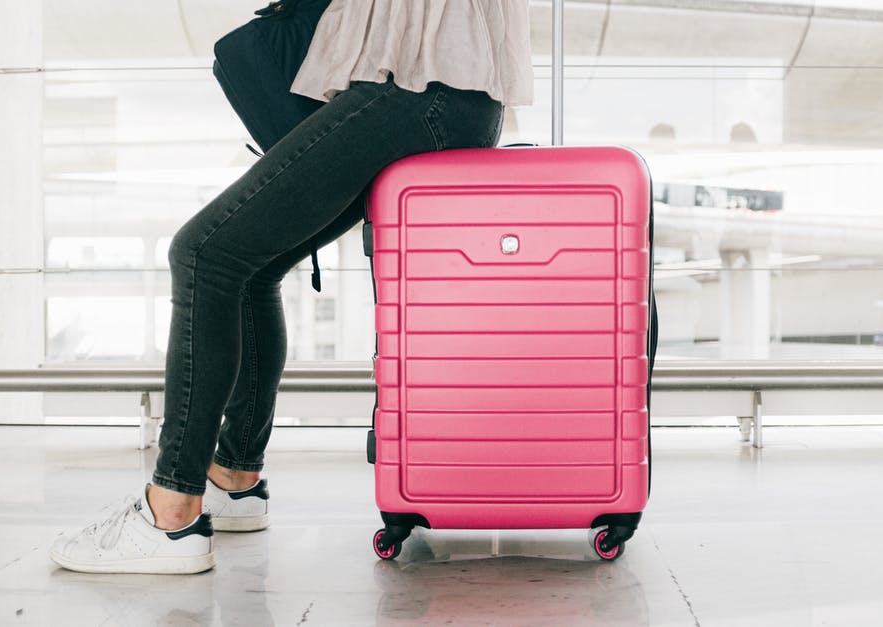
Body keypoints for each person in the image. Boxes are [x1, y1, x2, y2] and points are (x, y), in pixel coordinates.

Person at [50, 0, 533, 574]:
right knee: (251, 266)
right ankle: (234, 477)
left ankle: (170, 511)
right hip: (451, 94)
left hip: (412, 86)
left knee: (203, 253)